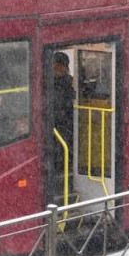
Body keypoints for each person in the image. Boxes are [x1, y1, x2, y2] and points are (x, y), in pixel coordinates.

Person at [51, 52, 75, 199]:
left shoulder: (69, 82)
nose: (60, 69)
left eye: (62, 66)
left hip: (65, 123)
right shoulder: (48, 83)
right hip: (57, 124)